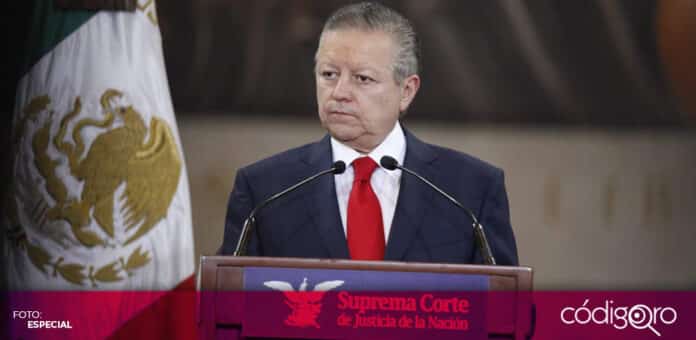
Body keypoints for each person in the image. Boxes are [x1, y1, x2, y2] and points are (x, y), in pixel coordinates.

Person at [219, 2, 518, 265]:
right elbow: (227, 309)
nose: (339, 93)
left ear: (407, 91)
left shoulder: (470, 190)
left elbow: (508, 314)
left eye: (362, 78)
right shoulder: (264, 190)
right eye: (328, 74)